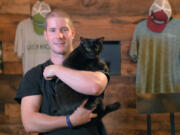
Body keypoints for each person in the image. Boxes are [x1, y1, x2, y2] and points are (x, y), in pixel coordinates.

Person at [15, 9, 109, 135]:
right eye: (52, 30)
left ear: (73, 33)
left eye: (64, 29)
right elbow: (29, 123)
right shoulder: (34, 75)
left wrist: (56, 69)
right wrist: (69, 121)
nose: (59, 36)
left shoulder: (95, 65)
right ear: (46, 35)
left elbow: (95, 87)